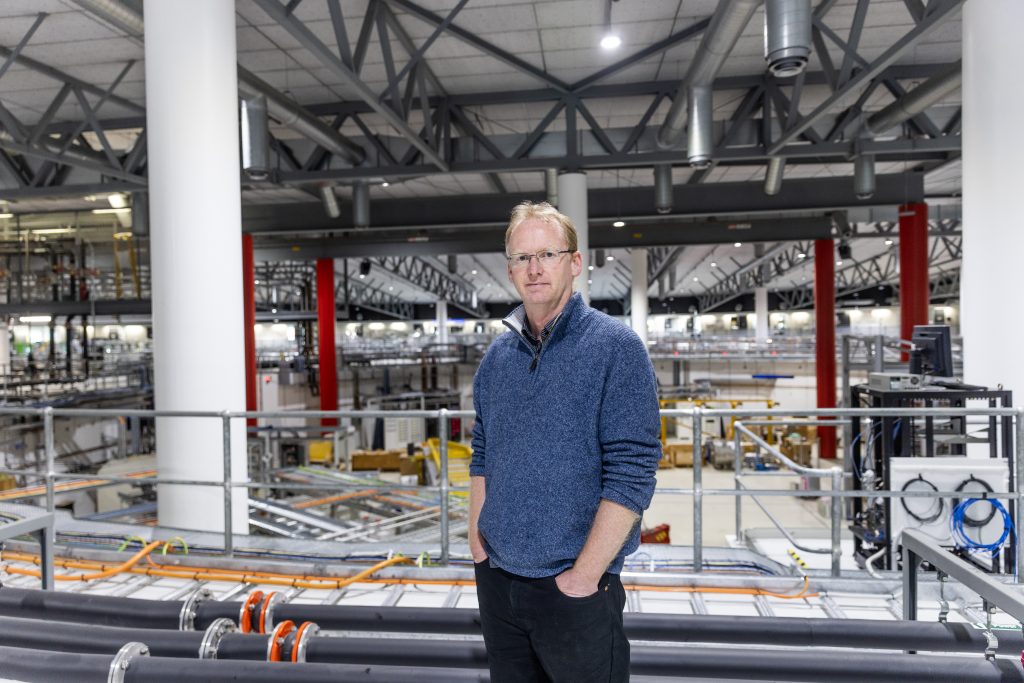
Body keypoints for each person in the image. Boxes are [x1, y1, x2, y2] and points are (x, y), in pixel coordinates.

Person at [469, 201, 661, 682]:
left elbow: (633, 471)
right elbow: (482, 449)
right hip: (499, 583)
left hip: (573, 589)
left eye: (546, 254)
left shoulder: (615, 348)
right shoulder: (498, 356)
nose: (533, 269)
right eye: (520, 257)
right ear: (510, 268)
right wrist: (478, 545)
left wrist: (584, 576)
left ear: (574, 263)